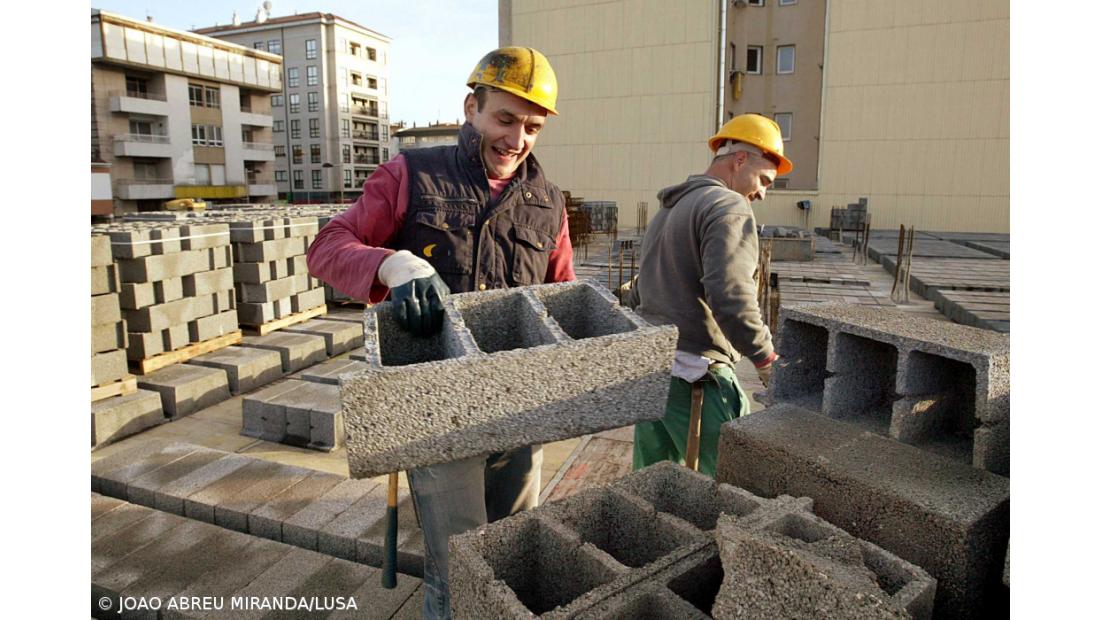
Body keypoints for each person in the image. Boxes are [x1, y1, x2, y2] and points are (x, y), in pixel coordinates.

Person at [306, 46, 573, 619]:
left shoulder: (548, 203)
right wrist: (391, 265)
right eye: (504, 119)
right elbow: (327, 248)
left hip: (523, 408)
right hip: (439, 408)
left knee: (510, 551)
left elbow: (561, 293)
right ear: (471, 107)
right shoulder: (410, 174)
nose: (517, 138)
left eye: (532, 126)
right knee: (458, 564)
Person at [628, 113, 790, 477]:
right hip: (698, 381)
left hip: (653, 375)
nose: (762, 192)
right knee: (727, 484)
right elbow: (731, 294)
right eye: (764, 180)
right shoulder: (728, 207)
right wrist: (765, 358)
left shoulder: (671, 207)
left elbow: (641, 288)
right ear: (740, 159)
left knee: (652, 488)